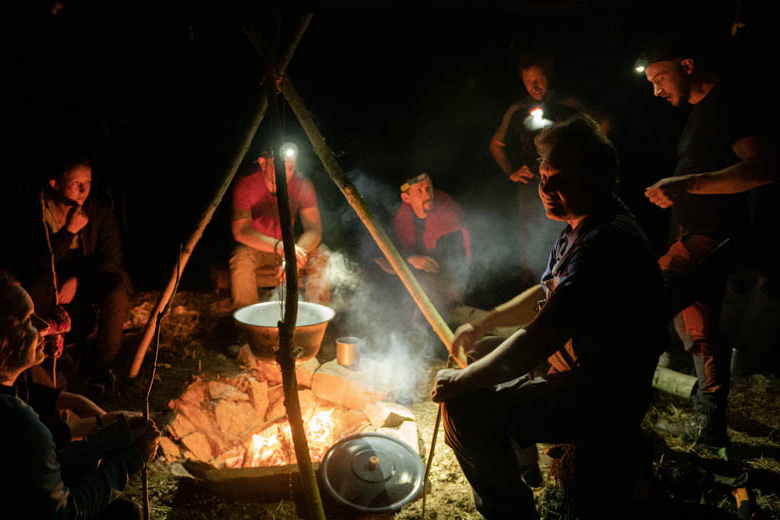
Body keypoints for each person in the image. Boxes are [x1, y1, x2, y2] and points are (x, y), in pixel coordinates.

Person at [432, 115, 667, 519]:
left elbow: (539, 338)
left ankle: (511, 511)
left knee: (463, 408)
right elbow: (545, 295)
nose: (545, 189)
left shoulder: (607, 243)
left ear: (600, 177)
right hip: (574, 370)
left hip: (602, 394)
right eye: (543, 176)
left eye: (561, 178)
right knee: (483, 351)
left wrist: (461, 381)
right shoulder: (582, 225)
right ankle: (524, 463)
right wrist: (484, 322)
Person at [639, 36, 776, 446]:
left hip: (711, 237)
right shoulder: (702, 113)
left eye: (659, 78)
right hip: (695, 234)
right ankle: (710, 425)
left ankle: (615, 406)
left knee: (641, 306)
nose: (656, 90)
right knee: (700, 329)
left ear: (687, 64)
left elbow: (766, 167)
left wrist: (688, 184)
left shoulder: (730, 103)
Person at [0, 268, 159, 519]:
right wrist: (127, 463)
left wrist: (101, 440)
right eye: (28, 320)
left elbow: (44, 462)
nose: (43, 326)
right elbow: (66, 513)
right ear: (4, 341)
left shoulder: (14, 401)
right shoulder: (21, 425)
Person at [26, 154, 130, 384]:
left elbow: (111, 259)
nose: (83, 190)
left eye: (88, 184)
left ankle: (104, 365)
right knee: (37, 285)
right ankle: (37, 360)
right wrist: (69, 232)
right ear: (56, 184)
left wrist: (78, 281)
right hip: (46, 282)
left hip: (81, 280)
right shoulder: (39, 210)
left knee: (116, 287)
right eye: (76, 184)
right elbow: (39, 261)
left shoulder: (98, 211)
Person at [489, 49, 579, 282]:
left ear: (549, 76)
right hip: (532, 186)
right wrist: (511, 172)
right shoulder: (518, 110)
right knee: (528, 238)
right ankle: (529, 291)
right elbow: (496, 144)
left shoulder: (567, 104)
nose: (534, 86)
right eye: (528, 81)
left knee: (565, 233)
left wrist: (583, 165)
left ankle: (567, 284)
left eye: (538, 79)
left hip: (565, 183)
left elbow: (603, 125)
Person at [230, 146, 330, 308]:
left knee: (321, 253)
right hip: (259, 247)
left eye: (290, 167)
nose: (286, 172)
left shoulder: (302, 183)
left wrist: (295, 254)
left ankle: (316, 318)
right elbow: (240, 231)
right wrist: (281, 247)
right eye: (280, 166)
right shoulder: (246, 182)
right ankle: (247, 324)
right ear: (263, 163)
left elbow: (314, 229)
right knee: (241, 257)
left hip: (289, 246)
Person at [374, 173, 470, 322]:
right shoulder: (403, 216)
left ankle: (417, 325)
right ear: (407, 198)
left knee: (426, 285)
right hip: (417, 273)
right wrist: (412, 260)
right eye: (419, 191)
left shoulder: (449, 213)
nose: (427, 195)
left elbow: (453, 265)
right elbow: (399, 253)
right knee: (377, 267)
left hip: (445, 278)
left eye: (428, 188)